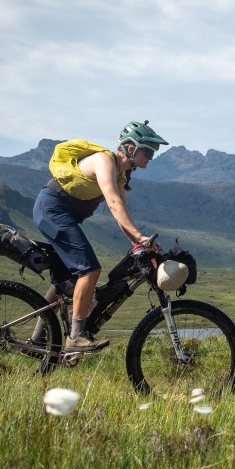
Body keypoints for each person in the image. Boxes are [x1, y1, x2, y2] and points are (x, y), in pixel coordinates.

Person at [31, 120, 168, 352]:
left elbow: (121, 216)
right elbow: (114, 203)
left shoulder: (120, 176)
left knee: (66, 283)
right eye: (148, 151)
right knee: (90, 270)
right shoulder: (105, 161)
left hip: (56, 214)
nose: (151, 157)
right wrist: (139, 236)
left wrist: (138, 245)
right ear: (131, 147)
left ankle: (37, 340)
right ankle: (76, 338)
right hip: (51, 210)